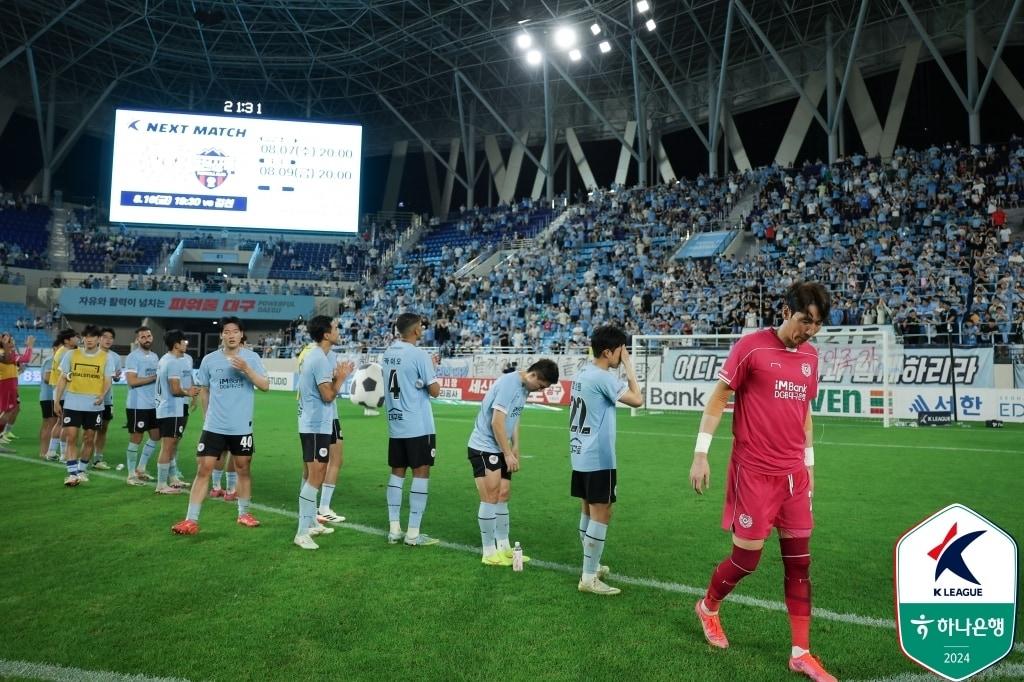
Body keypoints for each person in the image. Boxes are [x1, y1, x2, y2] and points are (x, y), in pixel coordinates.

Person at [689, 281, 836, 682]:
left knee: (800, 563)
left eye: (818, 324)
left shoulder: (810, 358)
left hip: (794, 477)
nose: (810, 329)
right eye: (806, 320)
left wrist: (810, 465)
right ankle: (709, 607)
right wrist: (701, 453)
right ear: (786, 312)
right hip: (753, 472)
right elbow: (719, 398)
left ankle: (801, 652)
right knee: (746, 560)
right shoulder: (751, 347)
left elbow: (805, 413)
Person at [172, 317, 269, 535]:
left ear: (241, 334)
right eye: (227, 331)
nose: (232, 335)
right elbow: (204, 389)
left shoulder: (251, 358)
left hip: (242, 426)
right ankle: (191, 520)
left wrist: (246, 369)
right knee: (203, 469)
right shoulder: (209, 360)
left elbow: (265, 385)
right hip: (214, 426)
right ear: (222, 335)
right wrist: (207, 416)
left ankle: (244, 513)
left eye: (236, 331)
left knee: (244, 468)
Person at [569, 325, 643, 595]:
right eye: (621, 351)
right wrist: (629, 366)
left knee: (588, 510)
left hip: (580, 453)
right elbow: (637, 400)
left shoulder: (582, 372)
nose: (622, 355)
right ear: (609, 352)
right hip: (599, 457)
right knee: (602, 512)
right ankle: (589, 576)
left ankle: (593, 565)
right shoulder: (603, 377)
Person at [468, 359, 559, 565]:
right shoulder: (509, 384)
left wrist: (515, 445)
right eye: (541, 386)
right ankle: (489, 552)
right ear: (533, 375)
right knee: (490, 497)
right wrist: (507, 453)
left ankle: (504, 547)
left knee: (503, 494)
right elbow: (497, 421)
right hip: (484, 447)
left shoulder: (524, 387)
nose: (540, 390)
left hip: (501, 447)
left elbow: (514, 417)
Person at [294, 316, 353, 549]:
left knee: (313, 475)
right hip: (315, 425)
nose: (339, 331)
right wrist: (341, 379)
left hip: (317, 424)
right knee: (316, 475)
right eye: (336, 328)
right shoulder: (318, 358)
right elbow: (327, 395)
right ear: (326, 334)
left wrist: (337, 378)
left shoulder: (319, 356)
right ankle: (301, 532)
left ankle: (309, 523)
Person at [383, 313, 441, 546]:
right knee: (421, 472)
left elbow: (404, 380)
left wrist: (421, 377)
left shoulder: (388, 352)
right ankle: (414, 533)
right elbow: (435, 390)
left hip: (395, 423)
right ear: (416, 330)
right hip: (418, 424)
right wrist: (429, 373)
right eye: (421, 327)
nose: (423, 329)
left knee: (397, 471)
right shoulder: (419, 354)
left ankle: (394, 528)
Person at [54, 325, 117, 487]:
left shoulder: (106, 357)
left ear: (97, 339)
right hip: (73, 403)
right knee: (71, 437)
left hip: (94, 405)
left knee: (89, 438)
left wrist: (102, 396)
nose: (89, 339)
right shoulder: (71, 354)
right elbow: (62, 378)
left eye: (92, 337)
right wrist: (56, 401)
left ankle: (82, 470)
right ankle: (72, 473)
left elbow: (107, 380)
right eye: (86, 336)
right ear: (83, 338)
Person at [153, 330, 199, 494]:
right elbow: (174, 389)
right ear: (176, 344)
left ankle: (171, 479)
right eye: (183, 341)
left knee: (172, 445)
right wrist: (189, 393)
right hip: (170, 408)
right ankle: (161, 485)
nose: (186, 343)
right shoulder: (172, 362)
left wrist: (190, 395)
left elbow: (183, 383)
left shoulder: (173, 359)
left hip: (175, 408)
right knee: (167, 446)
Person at [124, 326, 162, 486]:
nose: (146, 339)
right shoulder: (133, 357)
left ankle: (141, 468)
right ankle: (131, 474)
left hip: (153, 405)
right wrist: (153, 377)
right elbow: (132, 381)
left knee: (156, 436)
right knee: (136, 438)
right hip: (137, 405)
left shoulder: (155, 356)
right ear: (137, 340)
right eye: (143, 337)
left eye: (148, 335)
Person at [44, 328, 78, 460]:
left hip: (59, 391)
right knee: (66, 423)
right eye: (75, 337)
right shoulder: (66, 354)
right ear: (67, 340)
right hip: (64, 392)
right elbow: (69, 375)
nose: (77, 339)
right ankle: (64, 454)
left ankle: (52, 452)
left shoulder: (61, 351)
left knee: (60, 422)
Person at [91, 327, 122, 470]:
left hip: (107, 399)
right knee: (89, 430)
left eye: (111, 337)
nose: (108, 340)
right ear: (99, 338)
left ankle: (98, 459)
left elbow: (115, 378)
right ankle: (83, 458)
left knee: (103, 429)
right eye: (105, 337)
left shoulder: (115, 357)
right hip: (91, 398)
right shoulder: (91, 354)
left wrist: (116, 377)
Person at [0, 332, 33, 448]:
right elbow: (26, 358)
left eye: (11, 339)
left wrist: (18, 369)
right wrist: (29, 346)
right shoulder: (5, 354)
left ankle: (4, 433)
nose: (11, 342)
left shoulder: (8, 353)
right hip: (6, 384)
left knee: (11, 409)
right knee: (7, 411)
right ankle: (2, 435)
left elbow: (18, 364)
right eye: (8, 340)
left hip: (10, 384)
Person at [38, 338, 60, 460]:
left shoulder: (54, 360)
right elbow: (47, 378)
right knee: (49, 424)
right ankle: (44, 451)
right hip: (48, 396)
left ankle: (45, 451)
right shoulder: (51, 360)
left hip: (49, 396)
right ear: (54, 348)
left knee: (49, 423)